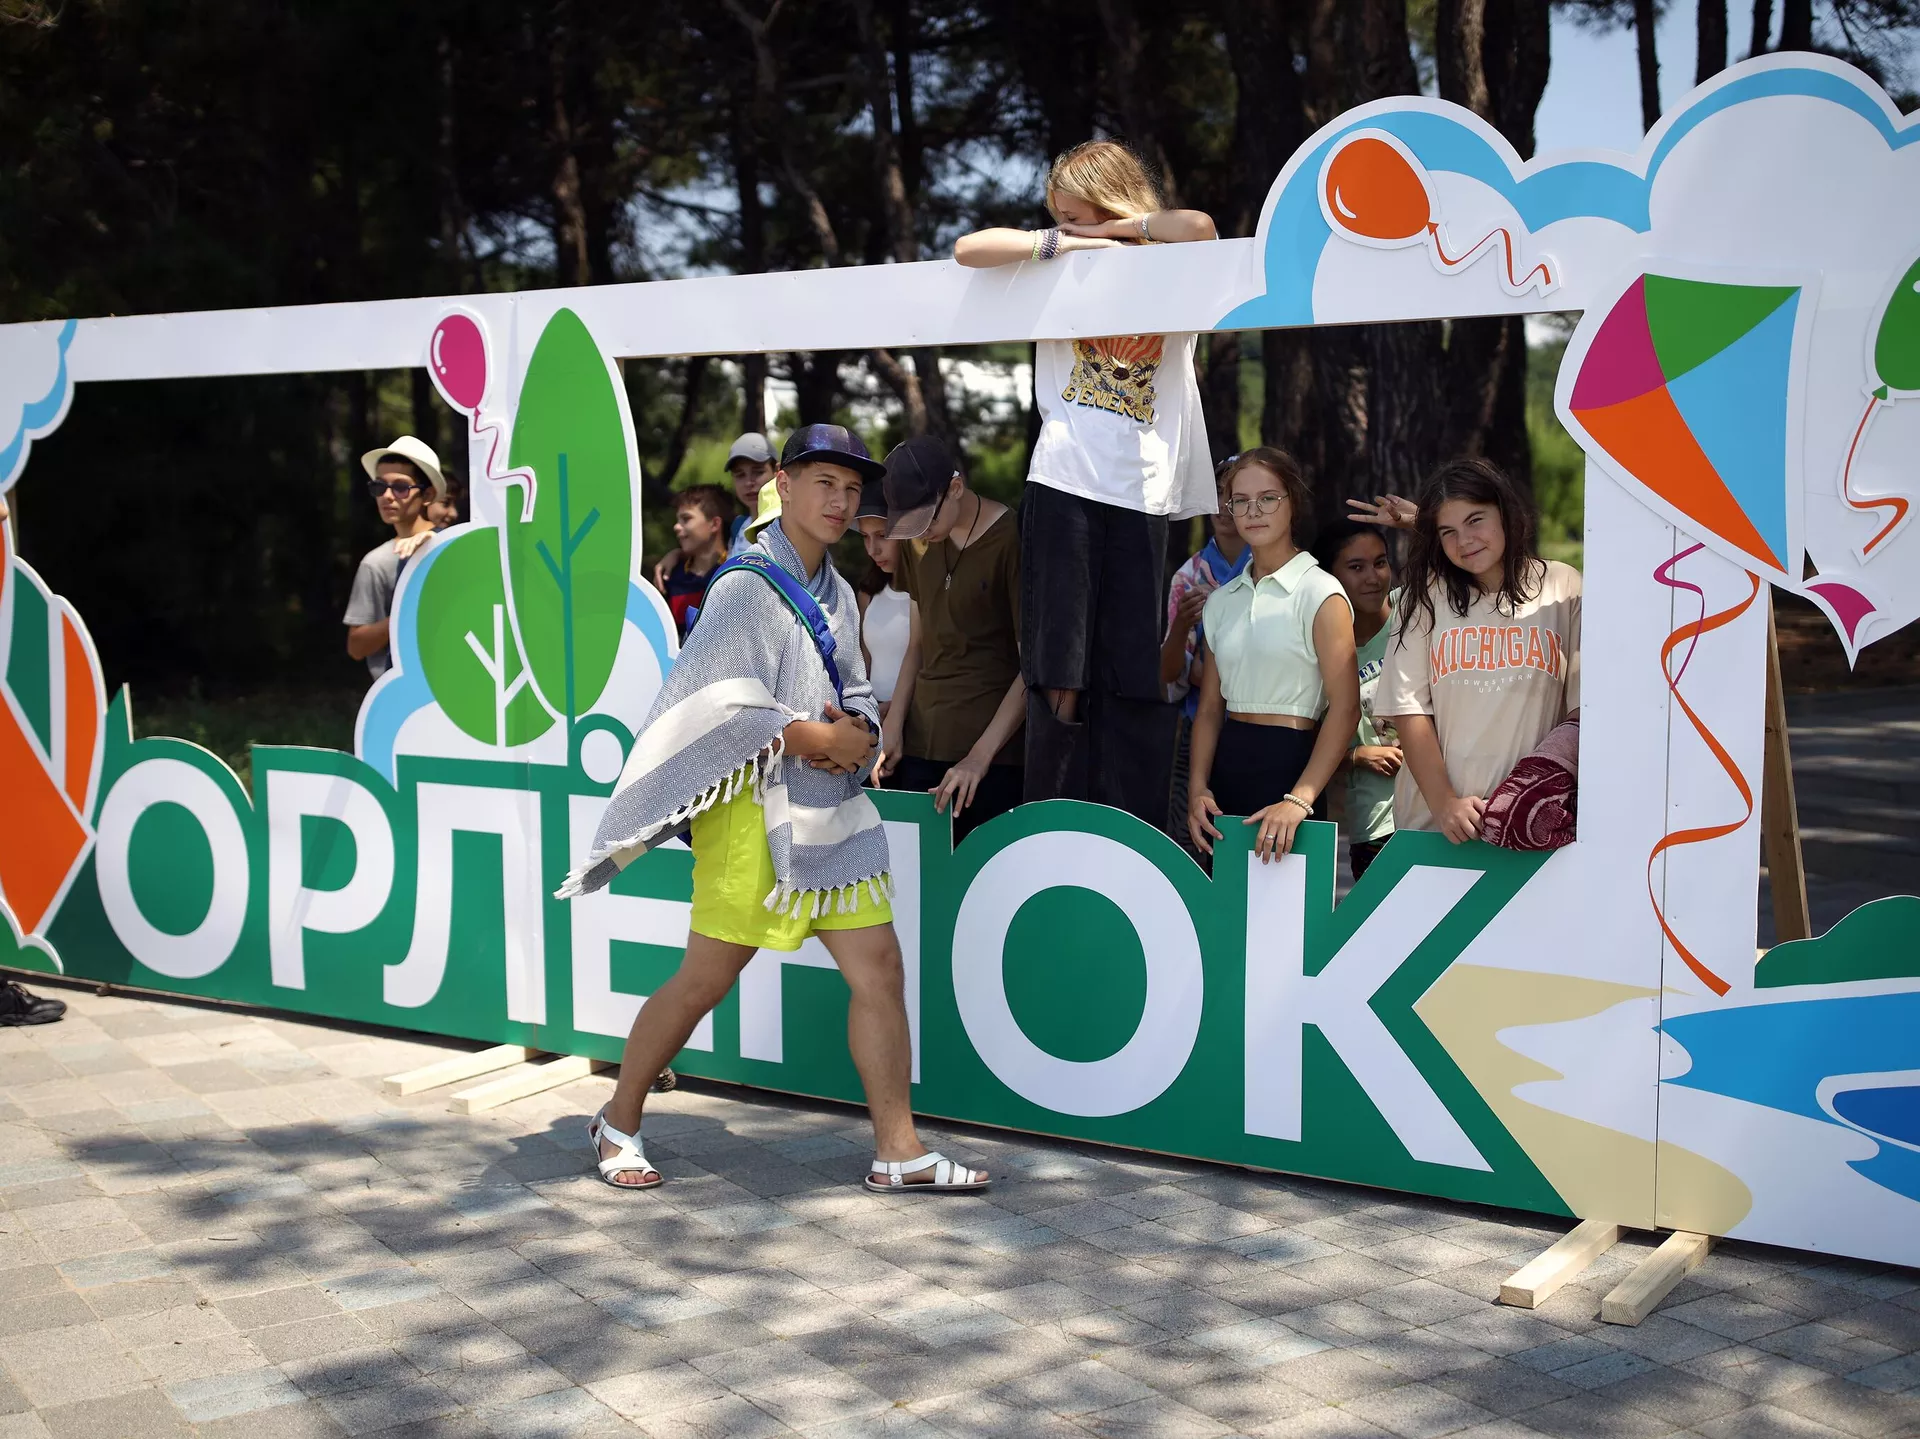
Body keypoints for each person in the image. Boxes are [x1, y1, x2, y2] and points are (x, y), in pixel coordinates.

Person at [560, 423, 988, 1196]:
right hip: (748, 813)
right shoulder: (744, 585)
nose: (841, 500)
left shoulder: (837, 589)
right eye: (825, 482)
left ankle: (898, 1149)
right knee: (705, 979)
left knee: (881, 967)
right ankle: (618, 1118)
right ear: (782, 486)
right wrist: (817, 736)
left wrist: (859, 732)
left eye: (852, 488)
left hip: (832, 805)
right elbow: (713, 707)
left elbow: (855, 686)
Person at [954, 141, 1219, 826]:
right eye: (1059, 216)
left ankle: (1127, 828)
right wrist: (1066, 241)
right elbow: (968, 249)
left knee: (1131, 669)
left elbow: (1200, 227)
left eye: (1076, 213)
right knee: (1057, 666)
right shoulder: (1057, 263)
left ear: (1111, 201)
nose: (1066, 225)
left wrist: (1120, 232)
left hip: (1142, 489)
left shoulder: (1168, 260)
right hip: (1064, 478)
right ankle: (1053, 815)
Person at [1375, 457, 1581, 844]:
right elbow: (1409, 709)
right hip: (1436, 826)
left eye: (1475, 520)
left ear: (1503, 512)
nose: (1465, 541)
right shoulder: (1424, 597)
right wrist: (1445, 804)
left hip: (1533, 824)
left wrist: (1535, 793)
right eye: (1448, 532)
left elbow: (1581, 714)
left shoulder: (1562, 586)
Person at [1187, 449, 1360, 864]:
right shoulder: (1220, 602)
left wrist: (1300, 799)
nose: (1253, 511)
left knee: (1287, 902)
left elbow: (1346, 707)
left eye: (1267, 498)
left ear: (1292, 501)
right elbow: (1209, 709)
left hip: (1293, 769)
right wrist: (1196, 788)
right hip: (1225, 774)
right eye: (1240, 500)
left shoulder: (1321, 592)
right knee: (1222, 901)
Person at [875, 436, 1025, 842]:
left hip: (991, 758)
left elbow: (1032, 669)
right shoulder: (918, 543)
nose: (921, 533)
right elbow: (917, 645)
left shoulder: (1012, 539)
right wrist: (894, 726)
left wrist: (979, 757)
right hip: (919, 746)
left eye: (925, 520)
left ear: (955, 488)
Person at [1163, 461, 1251, 844]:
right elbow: (1170, 675)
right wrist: (1181, 625)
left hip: (1258, 728)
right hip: (1198, 729)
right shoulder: (1187, 577)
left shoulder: (1272, 571)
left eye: (1236, 497)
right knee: (1190, 845)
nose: (1224, 506)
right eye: (1217, 493)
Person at [1313, 518, 1402, 880]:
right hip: (1376, 826)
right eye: (1356, 567)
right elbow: (1304, 748)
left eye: (1380, 563)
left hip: (1440, 814)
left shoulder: (1415, 611)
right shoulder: (1317, 652)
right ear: (1329, 578)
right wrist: (1356, 756)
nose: (1372, 577)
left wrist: (1418, 522)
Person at [345, 436, 443, 680]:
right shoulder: (376, 562)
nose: (387, 496)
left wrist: (436, 545)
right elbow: (357, 647)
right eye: (379, 487)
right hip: (402, 695)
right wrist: (407, 614)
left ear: (428, 494)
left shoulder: (451, 544)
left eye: (400, 487)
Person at [854, 485, 910, 720]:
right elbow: (864, 665)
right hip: (874, 718)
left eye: (882, 535)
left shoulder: (928, 592)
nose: (872, 550)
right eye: (865, 537)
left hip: (919, 717)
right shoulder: (868, 593)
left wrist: (895, 709)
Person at [653, 485, 735, 639]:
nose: (676, 527)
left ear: (714, 524)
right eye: (677, 520)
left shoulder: (734, 574)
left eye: (686, 519)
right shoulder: (669, 576)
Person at [724, 433, 777, 556]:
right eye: (740, 475)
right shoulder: (738, 526)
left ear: (777, 471)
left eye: (758, 472)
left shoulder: (790, 526)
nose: (748, 483)